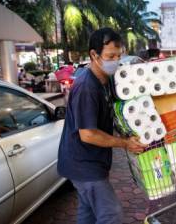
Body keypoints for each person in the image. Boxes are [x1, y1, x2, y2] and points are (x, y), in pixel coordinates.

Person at [57, 27, 146, 224]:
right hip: (84, 164)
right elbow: (88, 134)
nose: (115, 61)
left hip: (88, 162)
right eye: (110, 56)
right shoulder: (86, 87)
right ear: (94, 55)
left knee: (87, 213)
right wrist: (125, 143)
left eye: (118, 55)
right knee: (111, 214)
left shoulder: (106, 80)